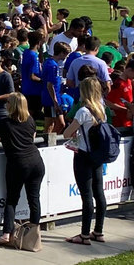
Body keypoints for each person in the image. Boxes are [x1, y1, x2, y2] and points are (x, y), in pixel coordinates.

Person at [0, 93, 45, 247]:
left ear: (12, 105)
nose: (5, 104)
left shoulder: (4, 123)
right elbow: (32, 137)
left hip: (18, 163)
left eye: (8, 102)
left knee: (11, 200)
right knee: (34, 198)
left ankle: (7, 234)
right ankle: (34, 235)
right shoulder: (30, 121)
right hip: (36, 161)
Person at [62, 77, 109, 245]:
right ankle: (99, 230)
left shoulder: (83, 111)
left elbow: (67, 133)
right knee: (99, 192)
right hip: (96, 155)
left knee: (87, 196)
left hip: (83, 156)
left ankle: (84, 234)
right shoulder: (101, 109)